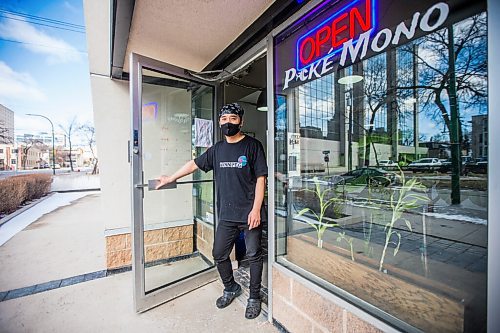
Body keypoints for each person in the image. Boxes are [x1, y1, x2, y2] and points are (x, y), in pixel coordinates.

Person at [156, 103, 267, 319]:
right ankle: (231, 287)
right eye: (224, 119)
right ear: (219, 122)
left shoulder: (253, 146)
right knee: (218, 254)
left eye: (233, 119)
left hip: (250, 213)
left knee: (254, 255)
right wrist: (170, 178)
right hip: (227, 215)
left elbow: (261, 179)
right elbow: (193, 164)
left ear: (241, 122)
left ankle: (254, 296)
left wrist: (256, 210)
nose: (228, 123)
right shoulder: (216, 150)